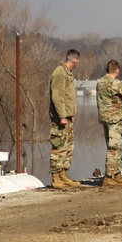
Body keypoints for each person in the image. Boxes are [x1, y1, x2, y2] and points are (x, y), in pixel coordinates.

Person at [96, 59, 122, 188]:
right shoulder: (115, 83)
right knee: (115, 147)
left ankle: (117, 174)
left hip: (105, 118)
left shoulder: (100, 82)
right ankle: (108, 177)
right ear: (117, 71)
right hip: (115, 118)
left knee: (114, 145)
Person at [49, 48, 81, 189]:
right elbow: (57, 96)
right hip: (60, 119)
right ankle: (56, 178)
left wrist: (70, 114)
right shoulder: (60, 73)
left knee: (67, 148)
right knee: (59, 148)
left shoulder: (68, 73)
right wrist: (62, 116)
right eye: (78, 62)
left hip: (67, 118)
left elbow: (67, 97)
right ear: (75, 61)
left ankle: (63, 175)